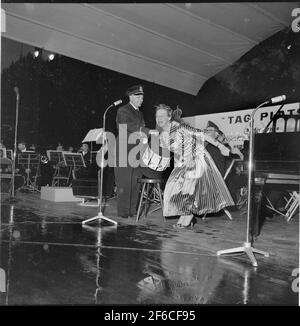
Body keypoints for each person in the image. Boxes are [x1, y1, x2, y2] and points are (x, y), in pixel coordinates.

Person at [155, 104, 234, 228]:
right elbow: (176, 153)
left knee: (188, 185)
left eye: (162, 115)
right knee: (172, 186)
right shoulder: (162, 136)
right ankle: (186, 215)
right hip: (183, 161)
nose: (159, 118)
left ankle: (188, 217)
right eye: (157, 116)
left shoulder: (181, 127)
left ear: (169, 117)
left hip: (198, 158)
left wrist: (221, 146)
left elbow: (202, 135)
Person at [114, 85, 150, 218]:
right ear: (131, 97)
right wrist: (147, 131)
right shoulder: (123, 110)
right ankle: (123, 212)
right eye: (138, 96)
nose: (141, 99)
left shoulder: (140, 113)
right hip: (124, 150)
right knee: (124, 182)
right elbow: (128, 127)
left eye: (142, 96)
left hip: (136, 152)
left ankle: (132, 210)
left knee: (135, 182)